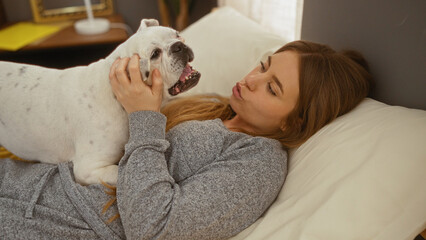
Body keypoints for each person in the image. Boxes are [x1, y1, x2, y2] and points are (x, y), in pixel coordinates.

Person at [0, 40, 372, 240]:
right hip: (27, 177)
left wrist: (143, 116)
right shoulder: (213, 108)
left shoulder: (257, 164)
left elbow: (156, 228)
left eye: (272, 88)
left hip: (45, 220)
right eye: (263, 65)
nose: (252, 79)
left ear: (294, 123)